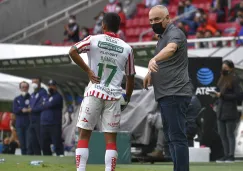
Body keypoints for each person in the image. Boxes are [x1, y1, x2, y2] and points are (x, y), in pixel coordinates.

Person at [69, 12, 135, 171]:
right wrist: (127, 97)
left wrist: (88, 71)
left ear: (103, 26)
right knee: (111, 140)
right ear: (119, 28)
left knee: (84, 135)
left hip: (94, 93)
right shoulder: (127, 48)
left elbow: (72, 51)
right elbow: (130, 76)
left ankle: (81, 169)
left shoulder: (93, 39)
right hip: (114, 96)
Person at [143, 5, 192, 171]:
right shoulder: (161, 37)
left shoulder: (174, 33)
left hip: (175, 93)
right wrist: (151, 72)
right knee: (171, 138)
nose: (154, 23)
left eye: (157, 19)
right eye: (151, 20)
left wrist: (153, 60)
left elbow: (171, 49)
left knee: (177, 137)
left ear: (167, 18)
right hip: (166, 94)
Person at [214, 60, 241, 163]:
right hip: (220, 111)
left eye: (225, 67)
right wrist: (216, 101)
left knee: (230, 134)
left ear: (230, 68)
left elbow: (238, 96)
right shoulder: (221, 79)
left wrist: (223, 96)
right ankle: (225, 155)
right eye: (222, 67)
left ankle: (231, 155)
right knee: (222, 134)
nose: (223, 69)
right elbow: (219, 93)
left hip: (230, 111)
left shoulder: (235, 79)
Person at [40, 80, 64, 156]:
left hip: (54, 123)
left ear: (55, 86)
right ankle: (47, 157)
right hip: (44, 123)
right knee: (44, 143)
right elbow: (41, 105)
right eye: (49, 85)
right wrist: (45, 104)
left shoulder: (58, 96)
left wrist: (45, 104)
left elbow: (49, 105)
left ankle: (60, 156)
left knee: (56, 142)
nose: (51, 87)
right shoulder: (45, 96)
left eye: (53, 85)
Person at [27, 77, 48, 155]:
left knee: (41, 139)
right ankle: (37, 155)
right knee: (33, 139)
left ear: (39, 83)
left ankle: (46, 155)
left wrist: (33, 109)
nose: (34, 84)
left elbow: (44, 105)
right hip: (32, 119)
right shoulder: (32, 94)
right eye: (33, 82)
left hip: (39, 119)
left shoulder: (43, 92)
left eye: (36, 82)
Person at [12, 81, 30, 155]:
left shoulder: (31, 97)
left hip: (28, 123)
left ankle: (29, 158)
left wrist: (21, 108)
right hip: (19, 123)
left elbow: (31, 108)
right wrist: (22, 109)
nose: (24, 89)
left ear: (28, 88)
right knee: (22, 143)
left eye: (26, 87)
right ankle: (24, 158)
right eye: (23, 87)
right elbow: (15, 110)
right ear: (20, 88)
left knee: (28, 143)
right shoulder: (17, 99)